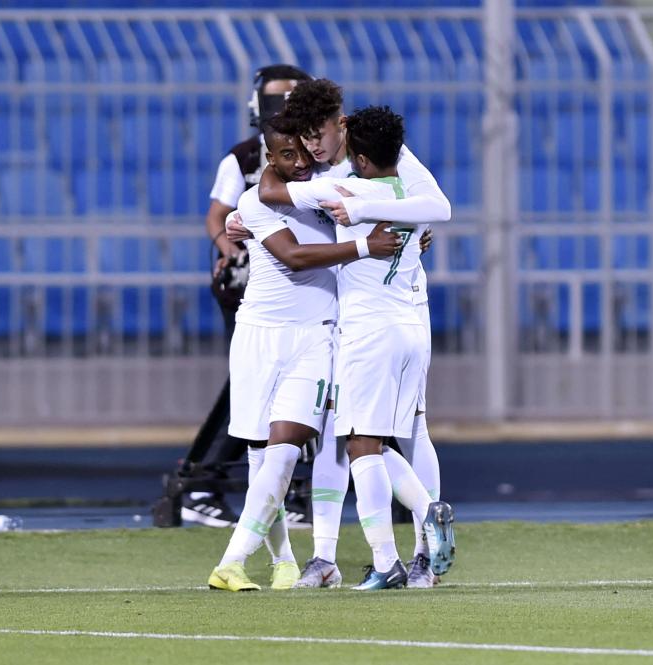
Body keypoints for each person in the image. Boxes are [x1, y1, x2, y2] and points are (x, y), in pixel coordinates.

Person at [258, 104, 456, 590]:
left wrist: (363, 213)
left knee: (375, 436)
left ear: (341, 125)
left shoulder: (350, 181)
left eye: (317, 133)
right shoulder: (368, 176)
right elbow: (426, 211)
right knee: (357, 433)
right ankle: (333, 556)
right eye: (302, 138)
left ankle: (410, 552)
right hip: (388, 321)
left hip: (376, 323)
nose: (311, 146)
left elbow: (439, 207)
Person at [206, 120, 402, 592]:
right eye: (286, 155)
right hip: (257, 337)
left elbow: (391, 204)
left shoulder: (326, 193)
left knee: (286, 447)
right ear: (269, 159)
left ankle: (231, 561)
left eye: (303, 153)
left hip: (316, 337)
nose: (298, 162)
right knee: (261, 457)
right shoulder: (254, 202)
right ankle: (283, 562)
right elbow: (293, 257)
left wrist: (417, 235)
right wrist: (365, 246)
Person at [180, 64, 313, 527]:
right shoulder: (242, 158)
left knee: (297, 384)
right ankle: (210, 482)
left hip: (303, 285)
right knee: (258, 381)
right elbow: (218, 215)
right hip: (259, 286)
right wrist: (232, 250)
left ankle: (291, 492)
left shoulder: (321, 156)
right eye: (278, 101)